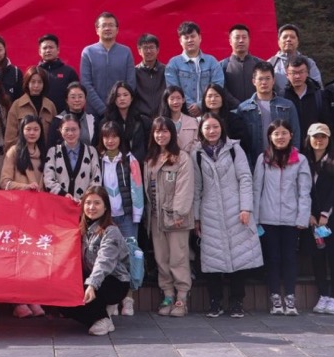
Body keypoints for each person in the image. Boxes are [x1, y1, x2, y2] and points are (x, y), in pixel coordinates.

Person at [193, 113, 262, 319]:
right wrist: (196, 217)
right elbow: (196, 188)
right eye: (207, 127)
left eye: (215, 127)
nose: (212, 131)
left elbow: (245, 178)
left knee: (239, 256)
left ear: (222, 128)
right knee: (212, 258)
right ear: (201, 130)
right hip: (209, 211)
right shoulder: (196, 153)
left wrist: (246, 208)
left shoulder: (234, 149)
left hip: (236, 210)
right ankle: (215, 302)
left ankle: (237, 301)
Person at [252, 120, 312, 316]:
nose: (280, 137)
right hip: (267, 218)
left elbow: (304, 191)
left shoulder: (300, 159)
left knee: (289, 258)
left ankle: (290, 297)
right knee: (273, 258)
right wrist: (255, 218)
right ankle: (275, 296)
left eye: (284, 133)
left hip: (291, 219)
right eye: (276, 133)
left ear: (291, 135)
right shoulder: (263, 159)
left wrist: (302, 217)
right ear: (270, 136)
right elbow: (256, 189)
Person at [144, 116, 194, 318]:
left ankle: (182, 297)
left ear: (172, 134)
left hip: (176, 218)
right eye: (157, 131)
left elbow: (185, 188)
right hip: (155, 217)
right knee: (161, 258)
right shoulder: (150, 159)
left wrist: (179, 213)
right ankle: (167, 295)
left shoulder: (182, 158)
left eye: (165, 131)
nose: (161, 135)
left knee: (178, 258)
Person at [0, 114, 49, 319]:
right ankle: (18, 301)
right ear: (22, 130)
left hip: (40, 212)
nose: (32, 133)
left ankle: (33, 297)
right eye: (28, 129)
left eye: (35, 129)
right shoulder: (14, 152)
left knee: (36, 256)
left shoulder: (46, 153)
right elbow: (4, 182)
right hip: (18, 212)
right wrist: (25, 187)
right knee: (18, 257)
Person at [66, 187, 131, 336]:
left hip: (114, 281)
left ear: (105, 206)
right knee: (64, 297)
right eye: (88, 203)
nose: (91, 207)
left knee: (81, 290)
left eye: (97, 203)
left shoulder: (111, 231)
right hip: (92, 279)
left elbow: (104, 262)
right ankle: (101, 315)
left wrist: (92, 285)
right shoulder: (81, 228)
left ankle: (101, 318)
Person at [97, 120, 143, 317]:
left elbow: (137, 187)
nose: (110, 140)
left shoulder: (130, 159)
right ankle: (113, 300)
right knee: (109, 257)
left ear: (120, 138)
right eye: (106, 137)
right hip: (106, 218)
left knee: (129, 256)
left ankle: (128, 298)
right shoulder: (98, 159)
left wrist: (137, 214)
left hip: (126, 216)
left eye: (114, 136)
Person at [301, 123, 334, 315]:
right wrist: (309, 214)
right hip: (312, 220)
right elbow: (301, 190)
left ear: (329, 139)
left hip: (332, 219)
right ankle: (323, 294)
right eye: (315, 137)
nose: (319, 140)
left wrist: (325, 213)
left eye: (323, 137)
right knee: (317, 258)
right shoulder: (303, 162)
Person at [235, 61, 300, 171]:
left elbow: (296, 135)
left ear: (273, 80)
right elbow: (241, 142)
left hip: (283, 162)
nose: (264, 82)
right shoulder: (243, 109)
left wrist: (292, 161)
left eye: (268, 78)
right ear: (254, 81)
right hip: (254, 163)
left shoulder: (287, 105)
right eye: (260, 79)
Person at [164, 21, 224, 117]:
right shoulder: (173, 64)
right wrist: (191, 106)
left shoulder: (212, 61)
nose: (190, 40)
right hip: (183, 114)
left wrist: (200, 105)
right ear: (180, 41)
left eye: (192, 36)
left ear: (199, 38)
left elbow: (218, 85)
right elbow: (173, 89)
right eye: (186, 37)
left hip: (209, 114)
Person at [80, 12, 136, 116]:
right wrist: (102, 109)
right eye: (104, 25)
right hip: (94, 113)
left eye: (111, 25)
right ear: (97, 30)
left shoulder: (126, 52)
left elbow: (131, 83)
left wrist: (120, 105)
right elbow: (86, 83)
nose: (107, 28)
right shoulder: (88, 52)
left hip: (120, 112)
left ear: (117, 30)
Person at [44, 113, 102, 201]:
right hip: (59, 203)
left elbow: (96, 180)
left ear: (80, 130)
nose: (70, 133)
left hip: (84, 204)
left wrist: (85, 199)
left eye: (74, 129)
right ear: (60, 130)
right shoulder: (53, 152)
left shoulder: (91, 151)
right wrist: (64, 195)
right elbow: (48, 179)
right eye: (66, 130)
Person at [3, 66, 57, 151]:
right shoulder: (17, 105)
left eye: (40, 82)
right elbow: (9, 139)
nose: (36, 86)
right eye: (33, 82)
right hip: (22, 154)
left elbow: (55, 135)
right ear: (27, 83)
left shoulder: (50, 106)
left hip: (46, 155)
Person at [99, 81, 150, 162]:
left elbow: (149, 146)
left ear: (132, 98)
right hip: (114, 165)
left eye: (125, 95)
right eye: (118, 96)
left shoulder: (143, 121)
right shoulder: (106, 123)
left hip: (139, 165)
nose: (122, 98)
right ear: (113, 99)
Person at [270, 24, 323, 95]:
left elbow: (317, 86)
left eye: (292, 37)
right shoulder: (271, 64)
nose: (288, 40)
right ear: (278, 42)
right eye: (285, 37)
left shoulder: (309, 63)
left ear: (298, 42)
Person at [283, 56, 326, 144]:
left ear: (307, 73)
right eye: (293, 73)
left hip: (315, 145)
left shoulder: (319, 95)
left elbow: (326, 123)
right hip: (291, 146)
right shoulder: (282, 97)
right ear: (287, 75)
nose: (297, 76)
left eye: (301, 72)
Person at [220, 24, 261, 106]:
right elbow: (221, 89)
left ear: (249, 40)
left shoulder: (260, 64)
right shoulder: (222, 66)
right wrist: (238, 105)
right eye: (237, 37)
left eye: (244, 37)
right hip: (232, 110)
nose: (241, 40)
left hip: (257, 108)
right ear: (230, 41)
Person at [47, 82, 97, 149]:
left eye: (80, 96)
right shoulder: (58, 121)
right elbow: (51, 147)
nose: (77, 100)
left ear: (85, 99)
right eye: (73, 97)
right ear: (67, 100)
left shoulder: (92, 120)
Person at [37, 33, 80, 111]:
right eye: (45, 48)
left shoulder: (69, 72)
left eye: (51, 47)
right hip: (41, 115)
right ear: (40, 52)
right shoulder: (35, 73)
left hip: (64, 116)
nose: (48, 50)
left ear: (58, 50)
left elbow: (77, 96)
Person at [134, 33, 166, 119]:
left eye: (151, 47)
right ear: (139, 51)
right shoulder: (134, 72)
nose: (148, 51)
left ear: (157, 50)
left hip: (163, 118)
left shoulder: (166, 71)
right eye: (145, 48)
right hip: (141, 119)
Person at [159, 86, 199, 153]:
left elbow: (197, 144)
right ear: (166, 101)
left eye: (178, 98)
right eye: (172, 99)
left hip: (189, 157)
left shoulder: (193, 121)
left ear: (183, 100)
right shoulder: (160, 123)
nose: (175, 102)